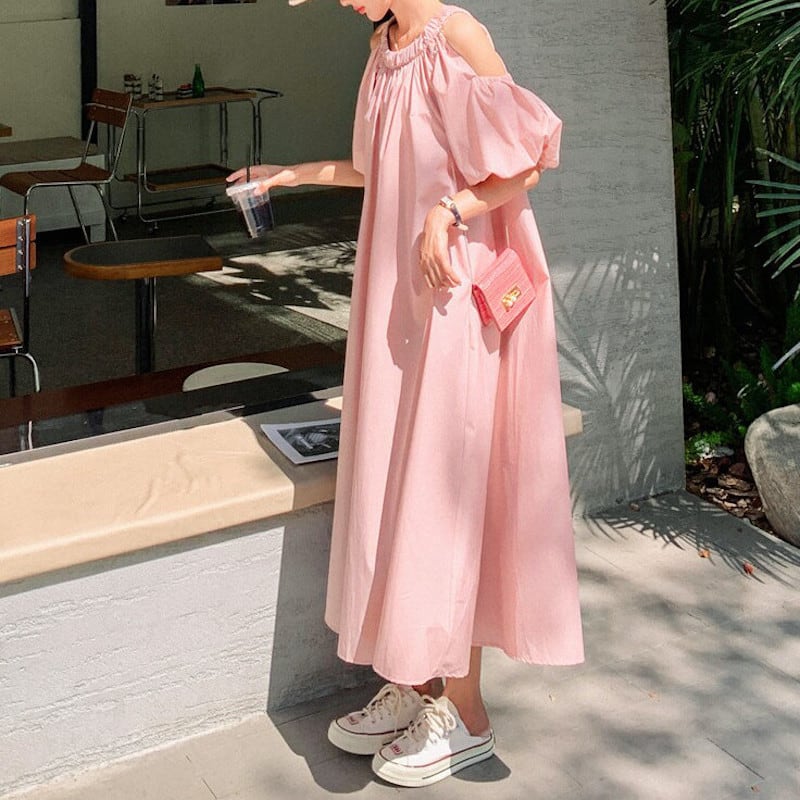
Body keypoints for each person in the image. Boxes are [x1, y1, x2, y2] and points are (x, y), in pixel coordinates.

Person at [228, 0, 583, 788]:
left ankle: (468, 716)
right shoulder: (383, 48)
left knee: (446, 493)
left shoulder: (459, 36)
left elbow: (529, 158)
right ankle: (420, 685)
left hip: (455, 294)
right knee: (399, 485)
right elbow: (377, 167)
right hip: (397, 302)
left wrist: (449, 212)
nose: (342, 1)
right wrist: (291, 174)